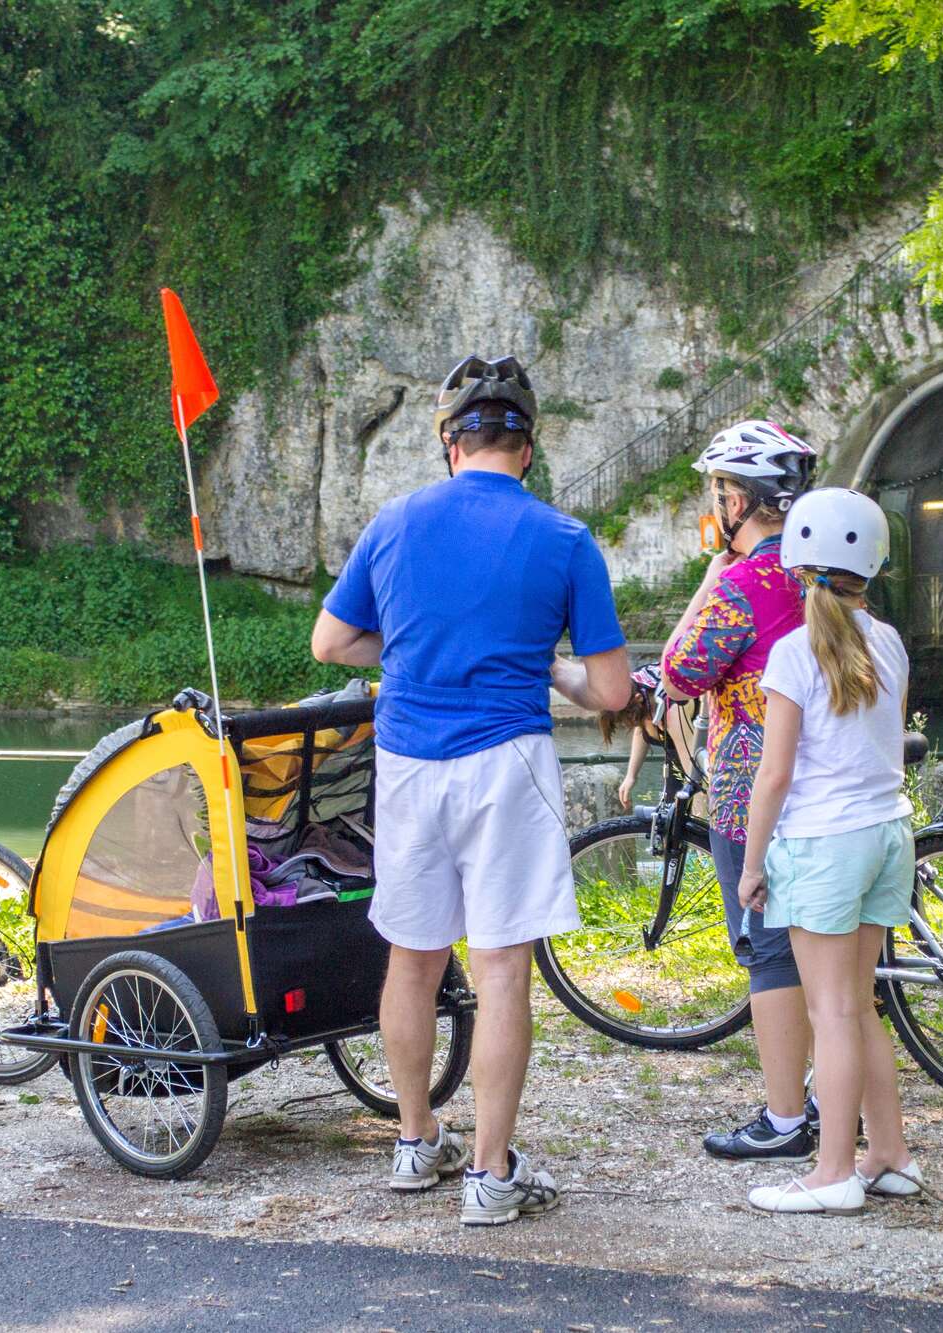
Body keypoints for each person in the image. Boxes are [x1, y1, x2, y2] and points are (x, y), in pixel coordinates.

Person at [311, 353, 631, 1227]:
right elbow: (610, 692)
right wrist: (550, 666)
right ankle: (490, 1177)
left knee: (411, 959)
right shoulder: (563, 539)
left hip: (409, 762)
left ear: (451, 443)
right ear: (528, 449)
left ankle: (415, 1142)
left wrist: (410, 652)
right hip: (507, 762)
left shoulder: (394, 521)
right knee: (500, 973)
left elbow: (330, 643)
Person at [738, 487, 920, 1216]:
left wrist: (752, 863)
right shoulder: (891, 640)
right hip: (886, 833)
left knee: (834, 1011)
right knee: (861, 1004)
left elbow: (774, 774)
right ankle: (890, 1154)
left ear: (796, 563)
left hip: (823, 843)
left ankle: (833, 1171)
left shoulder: (793, 653)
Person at [660, 420, 819, 1162]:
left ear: (742, 500)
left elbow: (680, 667)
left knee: (770, 952)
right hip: (830, 783)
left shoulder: (744, 580)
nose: (715, 504)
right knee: (824, 954)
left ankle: (787, 1117)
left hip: (751, 789)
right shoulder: (821, 571)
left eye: (719, 491)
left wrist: (712, 571)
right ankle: (826, 1093)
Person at [600, 665, 697, 812]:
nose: (629, 726)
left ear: (639, 700)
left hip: (699, 747)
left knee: (696, 808)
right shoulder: (637, 692)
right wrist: (631, 775)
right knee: (670, 813)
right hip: (675, 757)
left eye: (628, 721)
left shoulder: (672, 712)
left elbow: (694, 772)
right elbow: (640, 729)